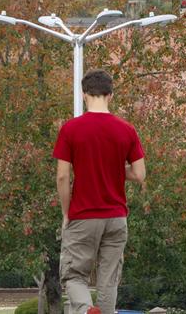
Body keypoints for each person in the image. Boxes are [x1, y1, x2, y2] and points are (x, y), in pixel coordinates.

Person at [53, 69, 146, 314]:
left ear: (84, 94)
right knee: (109, 279)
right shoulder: (127, 129)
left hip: (83, 215)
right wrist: (113, 167)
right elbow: (139, 174)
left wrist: (66, 213)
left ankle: (85, 310)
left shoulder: (71, 129)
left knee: (74, 276)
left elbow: (62, 176)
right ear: (110, 95)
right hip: (116, 217)